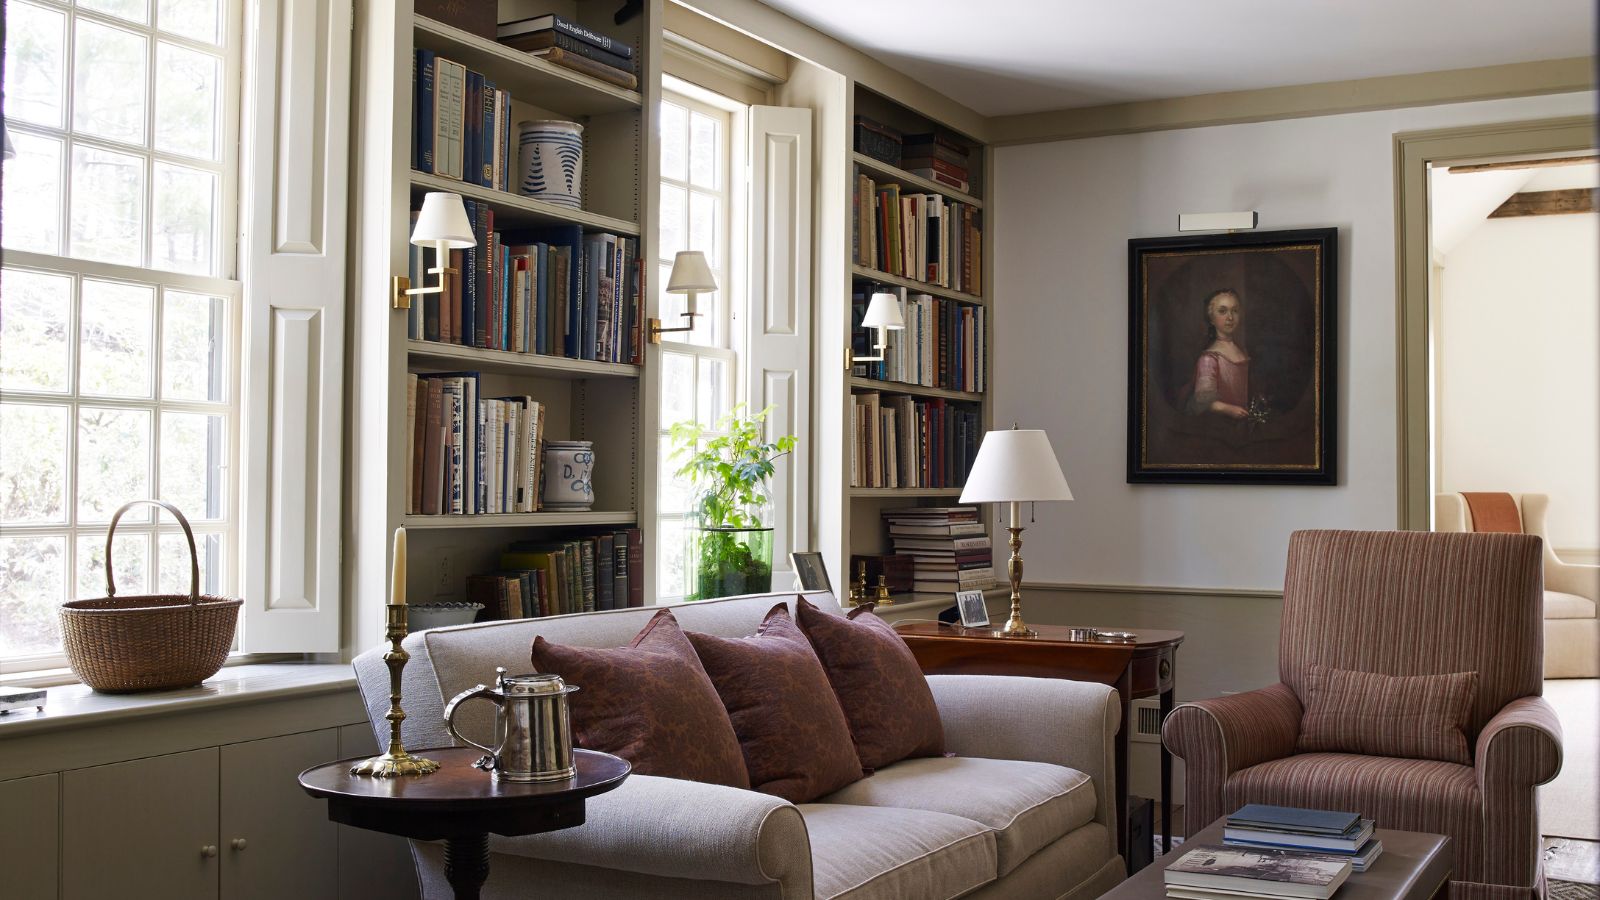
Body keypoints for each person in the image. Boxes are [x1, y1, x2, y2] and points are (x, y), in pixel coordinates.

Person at [1186, 289, 1251, 419]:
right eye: (1222, 311)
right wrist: (1228, 409)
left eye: (1235, 311)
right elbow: (1203, 402)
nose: (1230, 317)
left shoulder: (1242, 351)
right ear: (1211, 319)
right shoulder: (1209, 359)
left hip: (1244, 419)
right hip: (1220, 424)